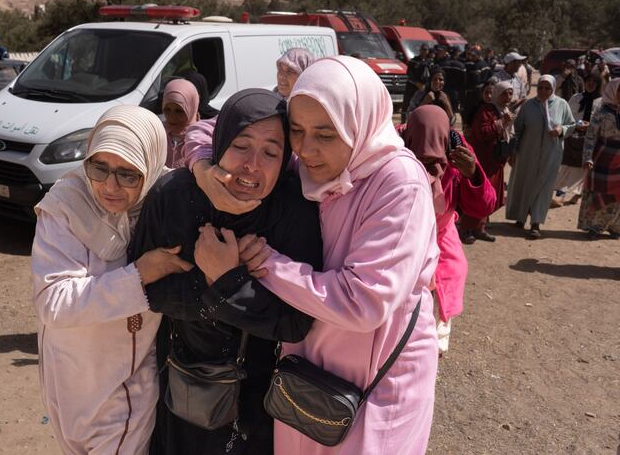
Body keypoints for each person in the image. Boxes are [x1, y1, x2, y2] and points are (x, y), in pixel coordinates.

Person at [187, 56, 440, 454]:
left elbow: (364, 302)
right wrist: (204, 170)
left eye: (325, 133)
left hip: (373, 379)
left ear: (359, 123)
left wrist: (267, 264)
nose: (305, 149)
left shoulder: (396, 183)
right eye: (297, 130)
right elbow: (206, 129)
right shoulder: (315, 165)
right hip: (307, 371)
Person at [131, 89, 322, 455]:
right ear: (219, 143)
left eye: (271, 152)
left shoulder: (292, 212)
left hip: (255, 400)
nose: (252, 164)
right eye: (240, 145)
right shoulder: (173, 196)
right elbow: (147, 290)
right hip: (181, 383)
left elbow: (296, 322)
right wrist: (221, 282)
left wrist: (226, 280)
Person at [31, 105, 193, 455]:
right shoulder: (67, 204)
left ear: (149, 169)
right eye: (99, 167)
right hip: (70, 380)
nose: (109, 186)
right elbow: (53, 302)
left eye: (128, 174)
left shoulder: (166, 206)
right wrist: (140, 274)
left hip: (126, 390)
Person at [400, 106, 495, 353]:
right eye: (421, 158)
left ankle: (433, 344)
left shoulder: (459, 153)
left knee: (448, 276)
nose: (430, 169)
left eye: (435, 161)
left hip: (441, 234)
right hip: (403, 236)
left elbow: (484, 205)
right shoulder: (394, 147)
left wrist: (473, 175)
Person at [505, 75, 576, 239]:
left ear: (553, 89)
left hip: (551, 153)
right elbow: (518, 130)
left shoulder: (561, 104)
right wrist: (514, 152)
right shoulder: (529, 106)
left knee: (544, 186)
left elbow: (571, 124)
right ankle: (521, 217)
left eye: (547, 88)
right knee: (525, 183)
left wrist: (561, 131)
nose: (543, 91)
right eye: (541, 88)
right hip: (528, 152)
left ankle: (536, 222)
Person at [459, 81, 515, 242]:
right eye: (504, 93)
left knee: (489, 195)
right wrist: (501, 123)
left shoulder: (503, 111)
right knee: (479, 194)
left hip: (496, 161)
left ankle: (480, 228)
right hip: (484, 160)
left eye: (510, 93)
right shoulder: (486, 111)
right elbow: (482, 132)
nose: (507, 97)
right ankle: (466, 228)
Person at [578, 78, 620, 239]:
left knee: (618, 195)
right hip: (602, 159)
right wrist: (587, 158)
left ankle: (615, 227)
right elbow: (590, 138)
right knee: (599, 193)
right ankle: (595, 227)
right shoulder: (601, 112)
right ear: (612, 91)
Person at [552, 73, 601, 207]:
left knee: (583, 170)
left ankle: (578, 195)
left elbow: (602, 123)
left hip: (590, 141)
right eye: (588, 80)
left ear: (598, 85)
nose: (590, 84)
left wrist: (589, 126)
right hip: (572, 138)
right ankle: (560, 196)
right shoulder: (576, 98)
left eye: (594, 81)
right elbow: (566, 115)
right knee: (565, 166)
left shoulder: (602, 102)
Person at [161, 79, 200, 168]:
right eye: (167, 110)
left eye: (179, 111)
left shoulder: (201, 138)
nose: (172, 116)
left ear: (192, 107)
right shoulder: (158, 132)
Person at [403, 43, 433, 122]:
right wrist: (416, 83)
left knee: (422, 106)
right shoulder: (413, 61)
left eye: (426, 50)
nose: (424, 51)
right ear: (420, 50)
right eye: (423, 49)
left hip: (424, 88)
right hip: (413, 86)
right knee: (407, 105)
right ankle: (404, 122)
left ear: (428, 51)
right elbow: (409, 74)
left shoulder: (430, 62)